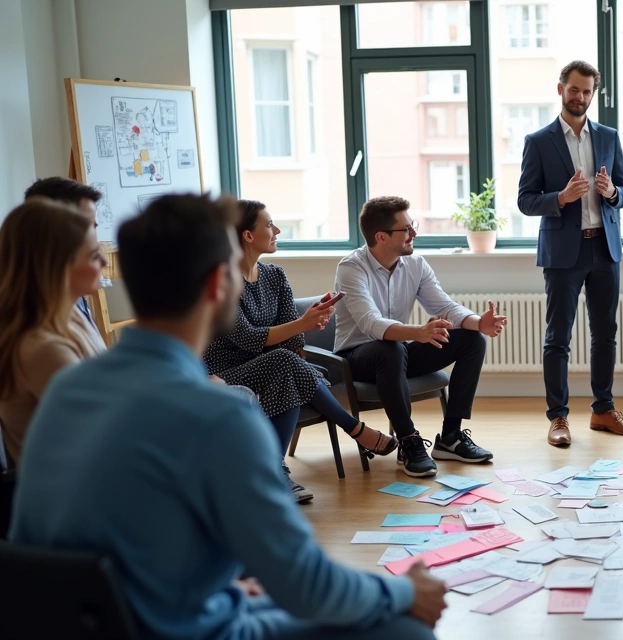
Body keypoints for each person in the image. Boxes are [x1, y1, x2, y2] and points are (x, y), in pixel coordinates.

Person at [10, 194, 446, 640]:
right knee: (403, 628)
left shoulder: (68, 389)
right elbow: (307, 585)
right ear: (220, 284)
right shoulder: (222, 415)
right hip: (182, 629)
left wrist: (231, 578)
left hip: (82, 620)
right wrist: (404, 593)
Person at [204, 200, 399, 502]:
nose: (277, 229)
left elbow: (288, 336)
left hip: (273, 368)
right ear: (247, 235)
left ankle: (274, 470)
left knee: (288, 366)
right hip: (225, 373)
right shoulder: (222, 281)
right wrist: (301, 324)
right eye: (269, 224)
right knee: (286, 364)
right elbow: (247, 339)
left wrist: (311, 322)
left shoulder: (275, 276)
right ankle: (354, 429)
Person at [333, 196, 506, 477]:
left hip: (397, 353)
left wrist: (478, 322)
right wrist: (418, 332)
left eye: (412, 226)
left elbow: (444, 306)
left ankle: (451, 437)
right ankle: (409, 441)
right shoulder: (351, 268)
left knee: (472, 340)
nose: (414, 233)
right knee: (390, 348)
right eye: (407, 229)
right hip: (356, 360)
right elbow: (371, 324)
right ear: (381, 236)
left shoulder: (415, 264)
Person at [517, 59, 623, 448]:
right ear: (560, 89)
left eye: (587, 91)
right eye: (574, 90)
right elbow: (525, 200)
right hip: (563, 252)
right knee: (558, 338)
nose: (580, 97)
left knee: (605, 334)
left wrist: (613, 194)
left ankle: (603, 410)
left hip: (604, 247)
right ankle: (558, 418)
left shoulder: (608, 137)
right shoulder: (538, 141)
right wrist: (561, 197)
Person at [0, 198, 107, 464]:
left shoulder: (68, 313)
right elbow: (101, 435)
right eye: (94, 255)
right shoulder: (42, 348)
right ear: (59, 266)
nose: (105, 262)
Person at [24, 177, 105, 333]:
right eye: (87, 227)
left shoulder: (72, 291)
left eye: (94, 226)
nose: (93, 236)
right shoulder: (39, 325)